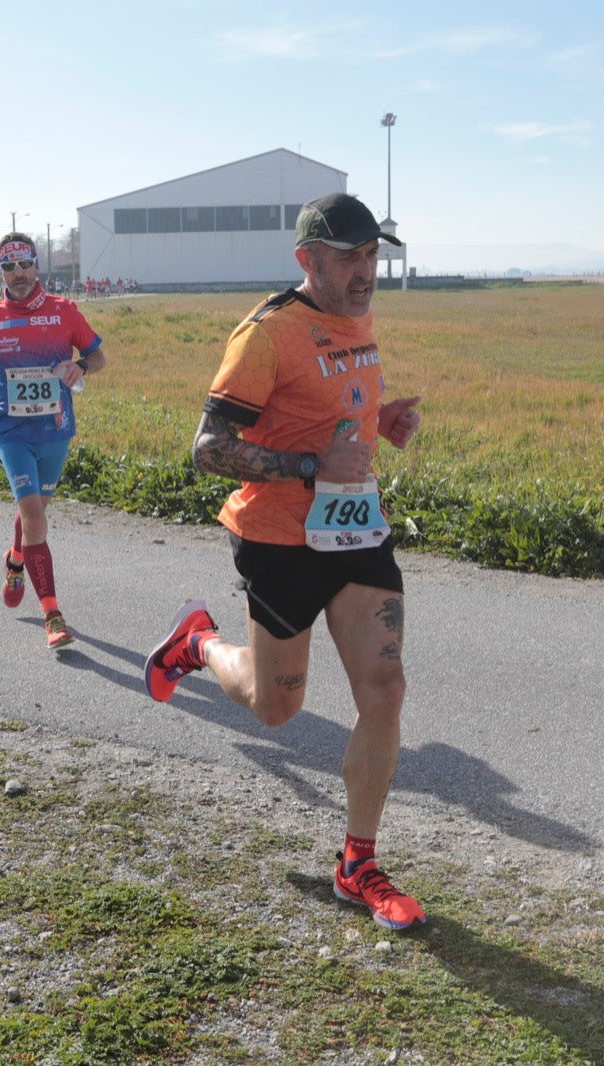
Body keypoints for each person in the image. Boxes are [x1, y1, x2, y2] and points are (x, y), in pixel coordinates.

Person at [143, 193, 426, 931]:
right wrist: (310, 465)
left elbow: (328, 407)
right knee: (277, 708)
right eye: (348, 256)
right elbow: (208, 449)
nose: (365, 270)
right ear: (307, 259)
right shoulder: (265, 336)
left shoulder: (356, 316)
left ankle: (357, 865)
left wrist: (378, 421)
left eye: (372, 254)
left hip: (356, 530)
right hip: (277, 537)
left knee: (386, 687)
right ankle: (199, 643)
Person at [0, 232, 105, 649]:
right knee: (33, 516)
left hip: (56, 430)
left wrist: (80, 366)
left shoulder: (64, 311)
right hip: (12, 432)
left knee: (35, 514)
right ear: (1, 272)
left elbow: (98, 356)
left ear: (36, 266)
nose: (19, 273)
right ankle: (53, 615)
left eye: (25, 264)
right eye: (9, 267)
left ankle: (15, 560)